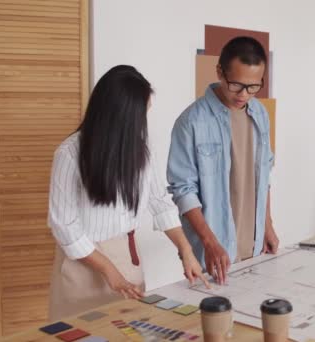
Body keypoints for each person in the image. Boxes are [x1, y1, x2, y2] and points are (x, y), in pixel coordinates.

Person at [47, 65, 209, 321]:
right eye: (140, 115)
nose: (143, 123)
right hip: (83, 265)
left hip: (128, 258)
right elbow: (65, 227)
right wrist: (110, 273)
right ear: (119, 117)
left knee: (132, 331)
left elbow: (160, 203)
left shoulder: (141, 150)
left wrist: (186, 251)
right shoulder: (69, 154)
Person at [167, 36, 277, 285]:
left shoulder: (259, 113)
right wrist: (209, 242)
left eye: (253, 87)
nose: (244, 95)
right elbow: (183, 191)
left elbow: (264, 174)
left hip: (255, 246)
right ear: (219, 72)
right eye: (236, 85)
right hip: (214, 256)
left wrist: (267, 225)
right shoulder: (191, 122)